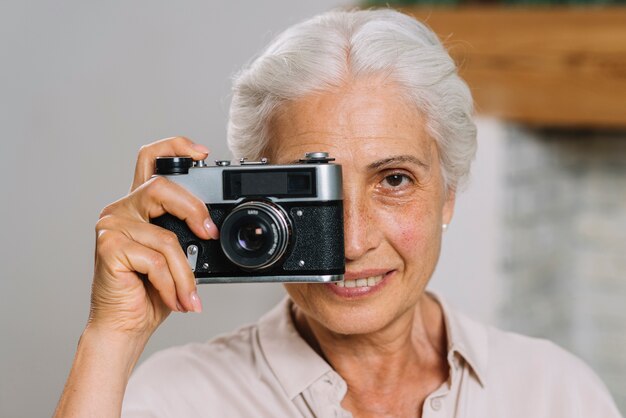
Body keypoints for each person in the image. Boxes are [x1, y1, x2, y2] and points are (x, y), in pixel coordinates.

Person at [54, 8, 622, 418]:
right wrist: (112, 336)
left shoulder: (557, 392)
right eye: (314, 197)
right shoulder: (170, 400)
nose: (351, 241)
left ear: (448, 193)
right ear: (252, 198)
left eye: (394, 179)